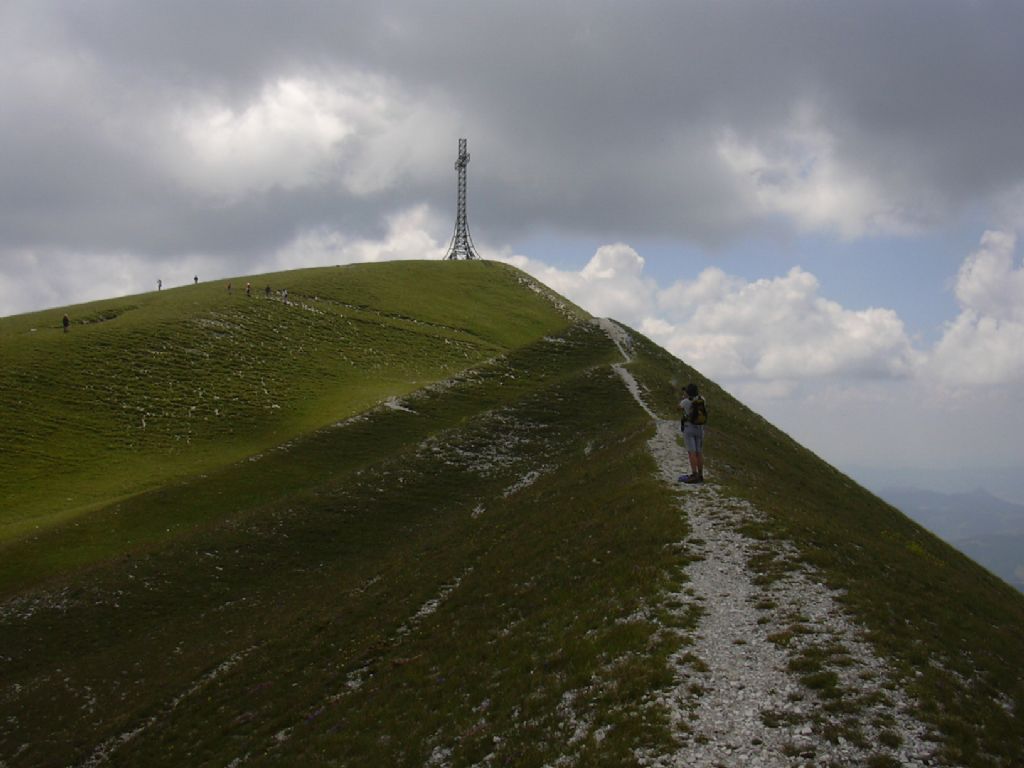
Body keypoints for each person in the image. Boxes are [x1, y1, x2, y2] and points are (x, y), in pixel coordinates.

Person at [678, 383, 705, 484]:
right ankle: (701, 475)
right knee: (699, 452)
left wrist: (684, 397)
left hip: (689, 429)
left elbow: (678, 408)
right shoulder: (702, 399)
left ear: (688, 392)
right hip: (700, 429)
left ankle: (694, 474)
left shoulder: (685, 402)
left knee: (691, 452)